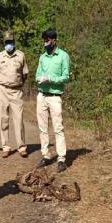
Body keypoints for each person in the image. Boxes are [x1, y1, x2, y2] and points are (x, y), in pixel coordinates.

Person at [35, 28, 70, 172]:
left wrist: (51, 79)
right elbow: (37, 75)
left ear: (54, 40)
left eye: (48, 40)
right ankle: (46, 155)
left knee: (58, 127)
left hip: (55, 96)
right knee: (42, 127)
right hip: (42, 95)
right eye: (44, 40)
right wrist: (40, 79)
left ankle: (61, 158)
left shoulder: (63, 56)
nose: (46, 43)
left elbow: (66, 76)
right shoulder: (42, 57)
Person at [0, 31, 29, 158]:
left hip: (16, 90)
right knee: (3, 119)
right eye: (6, 42)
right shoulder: (0, 56)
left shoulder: (21, 55)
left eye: (10, 42)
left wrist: (18, 85)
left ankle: (22, 147)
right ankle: (6, 147)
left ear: (14, 42)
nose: (9, 44)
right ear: (4, 43)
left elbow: (25, 74)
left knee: (18, 119)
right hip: (2, 89)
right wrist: (1, 86)